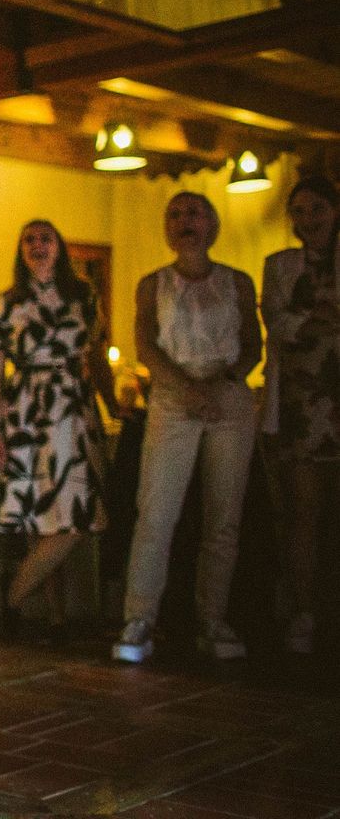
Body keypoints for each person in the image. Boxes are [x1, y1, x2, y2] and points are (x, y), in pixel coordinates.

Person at [112, 192, 261, 663]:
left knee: (224, 516)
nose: (184, 221)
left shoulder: (237, 282)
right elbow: (146, 346)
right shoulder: (151, 285)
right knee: (155, 513)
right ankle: (139, 619)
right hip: (173, 399)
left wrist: (220, 384)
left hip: (229, 398)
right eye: (174, 214)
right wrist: (186, 388)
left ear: (211, 224)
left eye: (194, 212)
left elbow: (254, 345)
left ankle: (212, 620)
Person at [0, 219, 116, 636]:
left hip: (74, 406)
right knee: (40, 513)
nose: (38, 246)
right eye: (29, 240)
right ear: (20, 250)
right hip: (26, 408)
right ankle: (53, 616)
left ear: (60, 246)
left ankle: (13, 594)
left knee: (75, 515)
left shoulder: (83, 297)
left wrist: (114, 405)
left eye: (45, 239)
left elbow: (96, 356)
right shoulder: (5, 302)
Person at [260, 176, 339, 655]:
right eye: (299, 211)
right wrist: (314, 320)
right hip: (302, 400)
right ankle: (304, 611)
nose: (307, 220)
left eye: (317, 209)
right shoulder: (281, 265)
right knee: (302, 511)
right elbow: (275, 321)